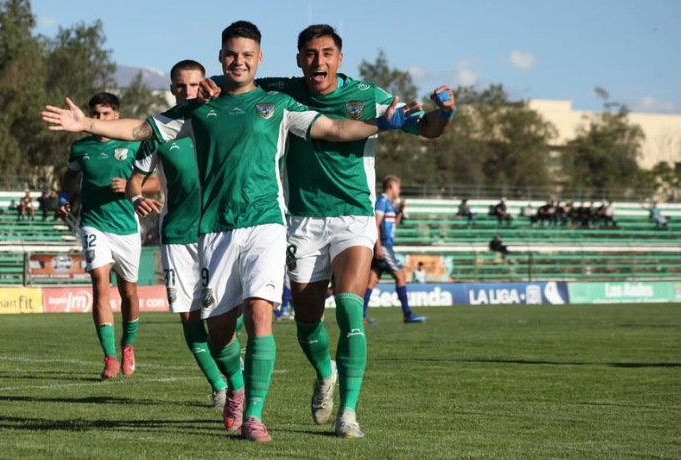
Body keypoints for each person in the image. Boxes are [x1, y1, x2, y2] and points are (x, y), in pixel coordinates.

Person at [42, 20, 420, 442]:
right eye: (230, 54)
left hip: (268, 225)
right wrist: (87, 125)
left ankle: (254, 415)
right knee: (220, 330)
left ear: (259, 59)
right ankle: (236, 387)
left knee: (261, 315)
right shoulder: (199, 107)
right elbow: (139, 130)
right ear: (220, 59)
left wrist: (386, 124)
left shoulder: (277, 104)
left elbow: (336, 129)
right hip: (215, 230)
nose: (238, 61)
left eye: (247, 55)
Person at [200, 23, 454, 438]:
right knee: (306, 323)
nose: (319, 61)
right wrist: (208, 86)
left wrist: (444, 115)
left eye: (327, 53)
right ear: (300, 60)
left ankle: (348, 413)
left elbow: (423, 128)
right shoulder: (281, 91)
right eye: (310, 54)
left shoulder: (368, 97)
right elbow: (233, 82)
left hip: (353, 216)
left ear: (339, 57)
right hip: (301, 220)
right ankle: (326, 374)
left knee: (351, 308)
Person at [125, 59, 236, 411]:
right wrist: (138, 197)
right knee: (189, 315)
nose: (188, 92)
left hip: (220, 229)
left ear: (204, 84)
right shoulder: (160, 129)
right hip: (177, 234)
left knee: (227, 312)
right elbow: (135, 179)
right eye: (181, 86)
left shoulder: (222, 119)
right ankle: (220, 385)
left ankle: (237, 375)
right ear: (172, 88)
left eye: (194, 85)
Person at [56, 92, 153, 380]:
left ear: (117, 115)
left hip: (126, 226)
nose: (99, 120)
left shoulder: (133, 143)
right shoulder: (80, 147)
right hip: (92, 223)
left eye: (106, 115)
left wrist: (132, 185)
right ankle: (110, 356)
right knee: (100, 284)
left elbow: (156, 180)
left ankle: (127, 346)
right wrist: (65, 197)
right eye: (95, 115)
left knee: (129, 292)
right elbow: (70, 176)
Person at [363, 176, 427, 327]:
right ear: (391, 186)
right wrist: (378, 246)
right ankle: (407, 314)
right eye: (398, 187)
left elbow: (393, 224)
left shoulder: (390, 205)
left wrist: (400, 211)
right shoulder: (382, 201)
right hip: (384, 245)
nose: (400, 190)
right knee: (401, 275)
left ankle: (361, 315)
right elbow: (376, 224)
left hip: (385, 245)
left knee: (372, 281)